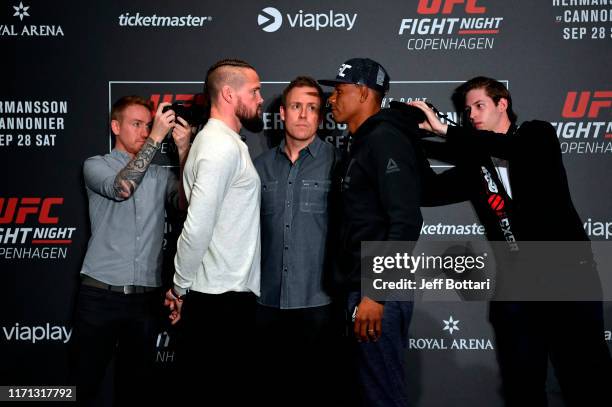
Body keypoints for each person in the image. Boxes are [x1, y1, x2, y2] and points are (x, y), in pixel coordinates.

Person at [411, 76, 612, 406]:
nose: (471, 115)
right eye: (466, 110)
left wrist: (445, 131)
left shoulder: (536, 135)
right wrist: (404, 144)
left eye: (480, 106)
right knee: (522, 384)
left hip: (568, 276)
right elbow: (428, 192)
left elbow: (510, 149)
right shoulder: (475, 166)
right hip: (518, 285)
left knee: (588, 378)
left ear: (502, 103)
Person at [319, 58, 428, 407]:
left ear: (364, 92)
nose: (330, 100)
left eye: (339, 91)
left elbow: (407, 221)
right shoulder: (364, 141)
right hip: (361, 289)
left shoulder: (385, 138)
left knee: (382, 397)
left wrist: (376, 293)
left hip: (376, 292)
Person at [71, 95, 191, 406]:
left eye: (147, 125)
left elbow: (187, 203)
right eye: (136, 124)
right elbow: (122, 188)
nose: (143, 131)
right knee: (84, 385)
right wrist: (155, 138)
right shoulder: (95, 166)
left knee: (136, 391)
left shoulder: (160, 175)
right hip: (100, 296)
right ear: (115, 126)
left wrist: (183, 150)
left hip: (144, 300)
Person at [163, 59, 263, 402]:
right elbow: (197, 225)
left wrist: (182, 287)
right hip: (221, 302)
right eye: (255, 91)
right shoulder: (219, 146)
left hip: (224, 296)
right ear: (228, 93)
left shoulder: (224, 142)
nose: (261, 98)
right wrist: (179, 286)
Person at [253, 76, 339, 406]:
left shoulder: (339, 164)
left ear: (320, 116)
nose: (304, 115)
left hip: (320, 304)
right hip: (266, 304)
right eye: (296, 106)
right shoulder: (258, 167)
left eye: (312, 108)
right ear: (283, 113)